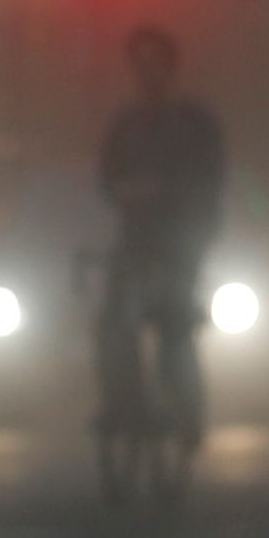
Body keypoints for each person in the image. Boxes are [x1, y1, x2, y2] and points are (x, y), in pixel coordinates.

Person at [95, 24, 226, 449]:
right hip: (135, 242)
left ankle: (187, 410)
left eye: (156, 64)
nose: (147, 73)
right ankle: (118, 401)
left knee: (174, 326)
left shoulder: (195, 123)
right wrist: (124, 193)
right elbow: (107, 177)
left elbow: (211, 179)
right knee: (112, 323)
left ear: (170, 69)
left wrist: (177, 200)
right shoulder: (125, 123)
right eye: (140, 64)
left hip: (181, 242)